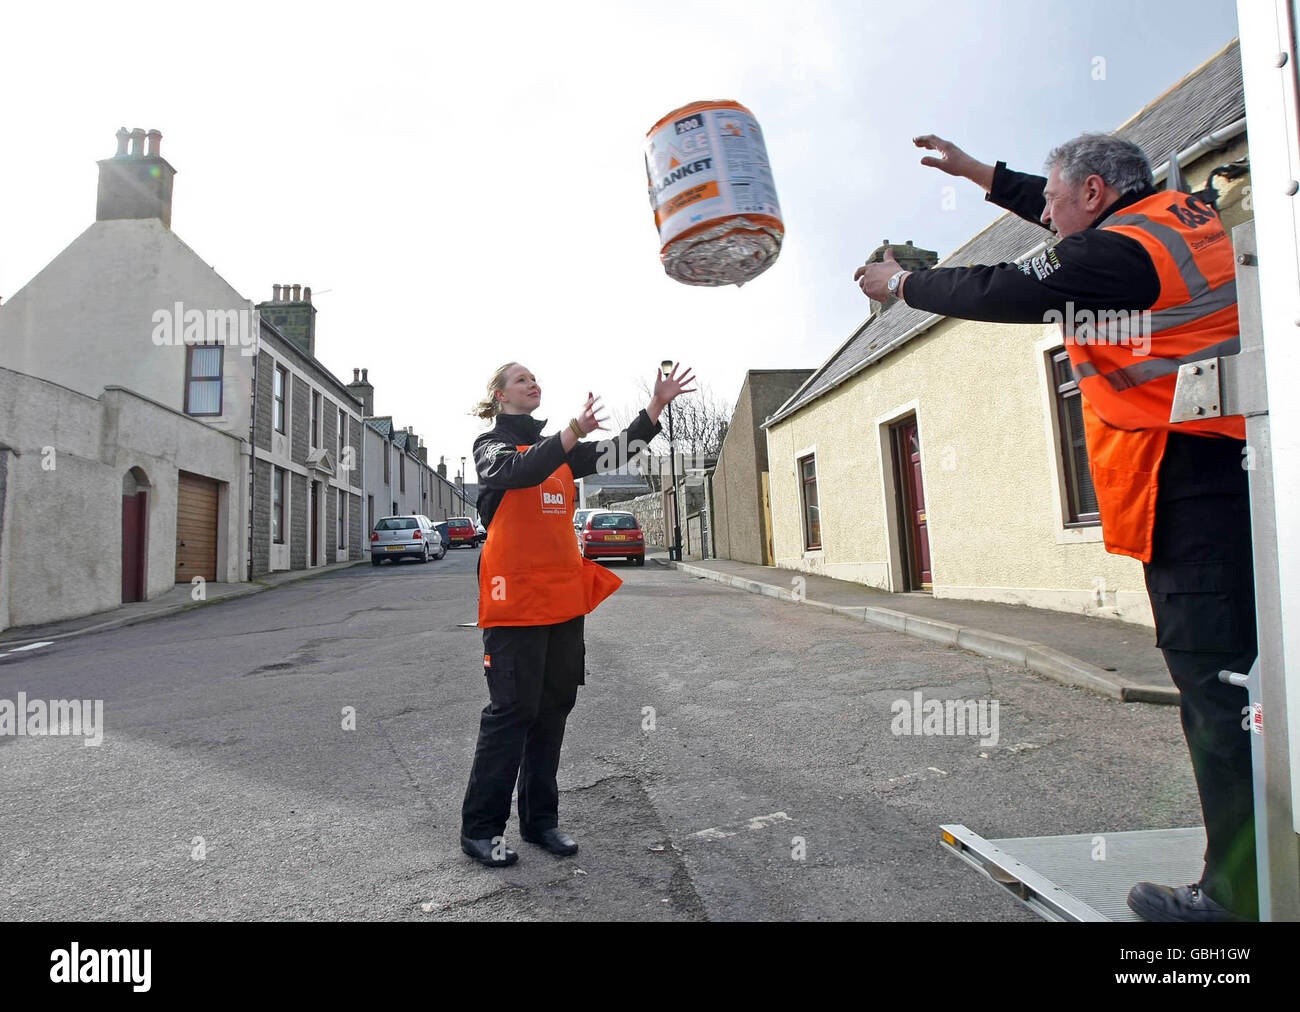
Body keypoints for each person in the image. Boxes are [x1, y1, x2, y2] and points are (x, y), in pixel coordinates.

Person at [855, 133, 1256, 922]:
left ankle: (1234, 898)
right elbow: (1069, 223)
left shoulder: (1119, 255)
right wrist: (984, 176)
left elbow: (1002, 286)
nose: (1043, 211)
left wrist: (900, 284)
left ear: (1099, 193)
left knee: (1217, 693)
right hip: (1236, 471)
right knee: (1250, 687)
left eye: (1052, 201)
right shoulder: (1177, 216)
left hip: (1189, 488)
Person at [459, 361, 695, 867]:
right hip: (514, 605)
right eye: (521, 379)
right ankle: (481, 830)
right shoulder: (491, 449)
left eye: (534, 378)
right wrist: (571, 432)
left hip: (563, 602)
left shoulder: (564, 455)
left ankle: (540, 821)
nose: (532, 383)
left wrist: (655, 406)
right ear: (500, 396)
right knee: (511, 714)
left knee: (551, 711)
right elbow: (522, 470)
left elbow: (620, 450)